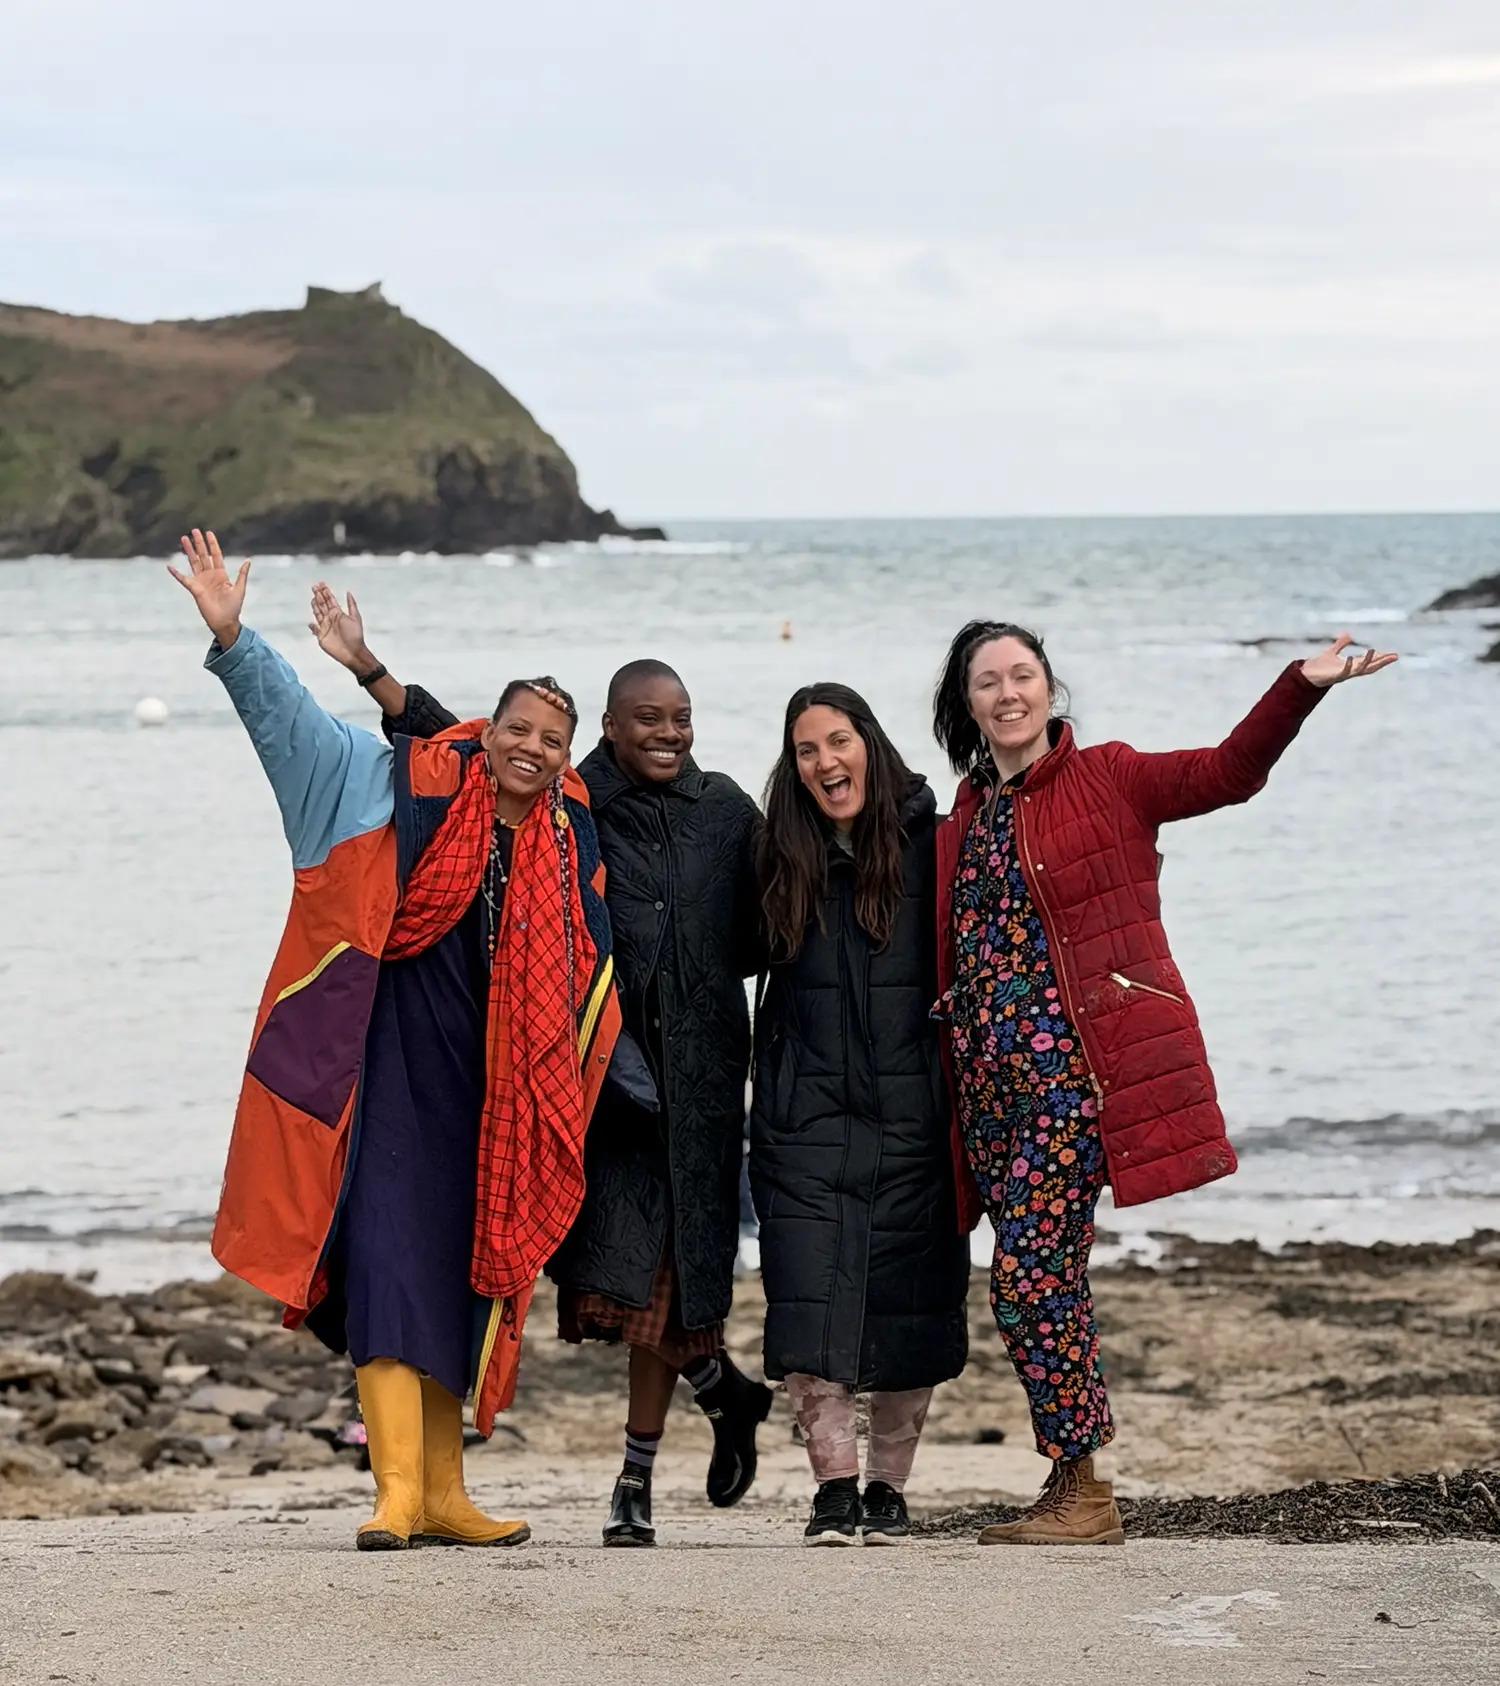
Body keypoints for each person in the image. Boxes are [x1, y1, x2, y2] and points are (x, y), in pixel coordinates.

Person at [168, 531, 620, 1551]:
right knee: (382, 1266)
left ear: (565, 753)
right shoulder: (397, 790)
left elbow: (596, 965)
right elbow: (293, 732)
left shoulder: (568, 834)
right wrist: (238, 641)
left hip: (495, 1090)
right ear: (485, 729)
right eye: (519, 728)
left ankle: (449, 1497)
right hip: (384, 1079)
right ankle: (395, 1496)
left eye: (553, 738)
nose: (533, 749)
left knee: (468, 1273)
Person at [307, 584, 771, 1548]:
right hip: (595, 1075)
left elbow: (781, 897)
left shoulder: (726, 809)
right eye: (648, 718)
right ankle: (722, 1390)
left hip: (697, 1080)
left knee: (675, 1279)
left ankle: (643, 1478)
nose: (669, 733)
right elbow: (469, 748)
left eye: (683, 719)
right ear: (605, 727)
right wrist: (367, 668)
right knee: (602, 1284)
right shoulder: (576, 791)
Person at [932, 621, 1398, 1546]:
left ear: (1050, 688)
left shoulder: (1110, 775)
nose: (1008, 693)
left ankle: (1084, 1489)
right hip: (991, 1093)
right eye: (988, 682)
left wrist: (1299, 686)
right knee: (1039, 1280)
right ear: (967, 704)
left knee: (1029, 1281)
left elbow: (1228, 772)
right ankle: (1074, 1482)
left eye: (1023, 674)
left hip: (1075, 1081)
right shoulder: (968, 812)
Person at [751, 683, 971, 1545]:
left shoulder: (931, 839)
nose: (825, 763)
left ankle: (889, 1490)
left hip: (915, 1115)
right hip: (804, 1120)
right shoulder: (776, 851)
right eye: (806, 751)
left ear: (869, 744)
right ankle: (833, 1489)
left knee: (910, 1312)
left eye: (838, 742)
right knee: (806, 1308)